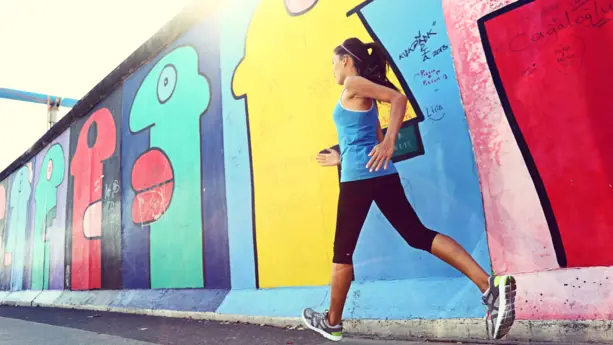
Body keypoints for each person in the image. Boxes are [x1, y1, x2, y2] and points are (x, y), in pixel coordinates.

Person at [301, 37, 517, 342]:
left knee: (342, 252)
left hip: (359, 179)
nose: (333, 70)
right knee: (418, 234)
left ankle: (332, 322)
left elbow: (399, 99)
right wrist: (344, 155)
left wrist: (390, 143)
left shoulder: (352, 82)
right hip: (377, 174)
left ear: (346, 60)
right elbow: (368, 137)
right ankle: (489, 285)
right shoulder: (360, 91)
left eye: (334, 62)